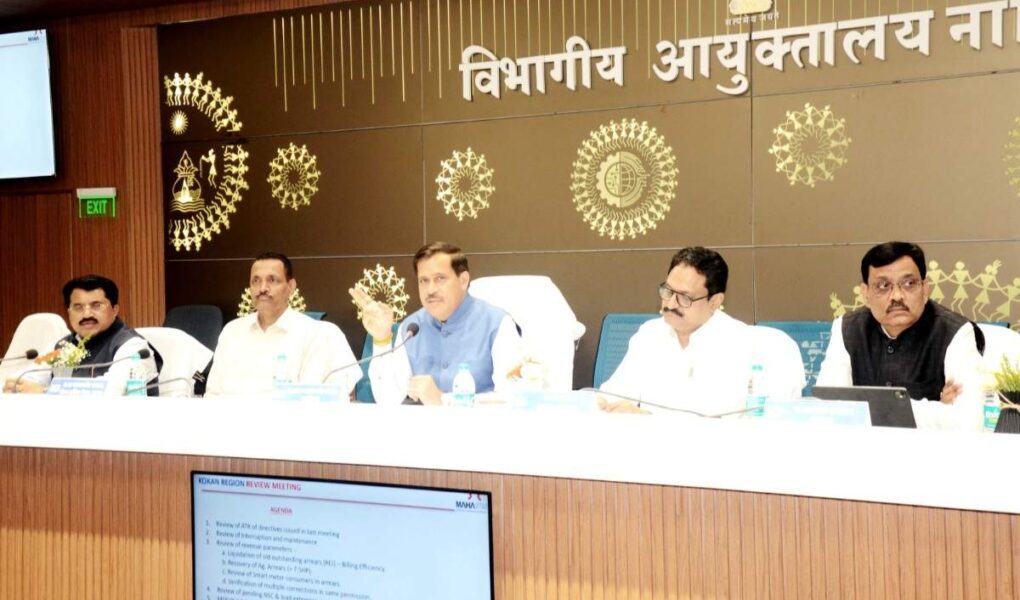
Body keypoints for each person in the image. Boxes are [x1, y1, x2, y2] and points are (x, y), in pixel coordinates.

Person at [599, 247, 803, 414]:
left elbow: (720, 420)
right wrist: (615, 409)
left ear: (715, 301)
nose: (670, 303)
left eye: (684, 297)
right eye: (668, 291)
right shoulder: (649, 335)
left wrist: (648, 421)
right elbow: (611, 397)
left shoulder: (744, 347)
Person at [816, 241, 986, 430]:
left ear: (925, 289)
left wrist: (865, 407)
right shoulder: (847, 328)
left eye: (909, 284)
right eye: (883, 286)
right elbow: (827, 409)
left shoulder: (956, 332)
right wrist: (936, 408)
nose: (897, 296)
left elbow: (969, 423)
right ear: (865, 294)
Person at [349, 242, 523, 405]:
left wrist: (444, 401)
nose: (430, 289)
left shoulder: (498, 324)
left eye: (440, 278)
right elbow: (388, 400)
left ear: (463, 280)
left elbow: (513, 398)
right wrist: (382, 340)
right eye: (423, 280)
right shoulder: (411, 328)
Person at [205, 252, 360, 397]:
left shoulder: (320, 334)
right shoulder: (232, 332)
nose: (262, 288)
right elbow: (213, 395)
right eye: (256, 281)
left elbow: (341, 397)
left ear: (291, 286)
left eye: (272, 280)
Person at [4, 274, 161, 395]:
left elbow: (111, 390)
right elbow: (27, 377)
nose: (86, 314)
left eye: (96, 305)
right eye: (78, 307)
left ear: (115, 310)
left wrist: (45, 392)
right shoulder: (64, 346)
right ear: (68, 312)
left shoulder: (134, 347)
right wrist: (20, 385)